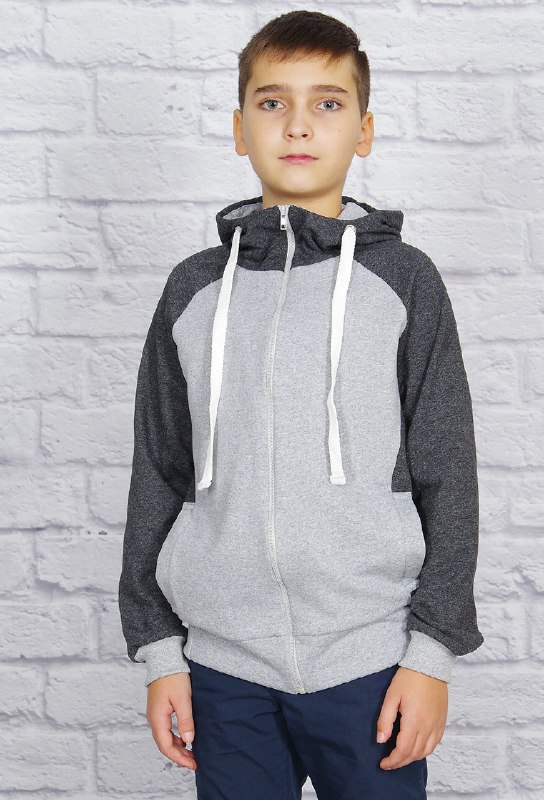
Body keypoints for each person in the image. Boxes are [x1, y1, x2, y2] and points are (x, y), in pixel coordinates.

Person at [118, 9, 485, 799]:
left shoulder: (404, 281)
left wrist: (431, 657)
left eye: (327, 102)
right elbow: (159, 471)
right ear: (239, 128)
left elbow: (448, 473)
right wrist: (159, 652)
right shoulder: (193, 290)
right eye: (271, 101)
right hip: (223, 667)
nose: (297, 125)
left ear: (364, 130)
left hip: (371, 659)